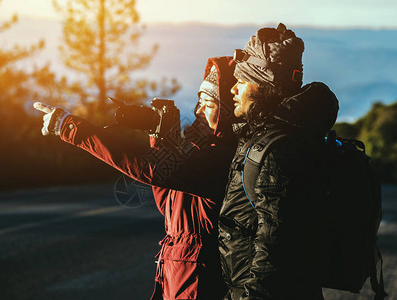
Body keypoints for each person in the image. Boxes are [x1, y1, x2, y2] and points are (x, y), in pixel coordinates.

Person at [34, 56, 238, 300]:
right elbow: (166, 202)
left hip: (200, 282)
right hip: (179, 275)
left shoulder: (222, 156)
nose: (198, 110)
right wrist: (160, 137)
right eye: (198, 101)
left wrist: (71, 128)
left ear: (227, 110)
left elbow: (150, 169)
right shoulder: (202, 151)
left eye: (208, 103)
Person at [218, 24, 339, 300]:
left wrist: (251, 296)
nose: (234, 89)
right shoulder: (275, 136)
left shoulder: (278, 148)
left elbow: (275, 242)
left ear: (261, 85)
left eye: (242, 80)